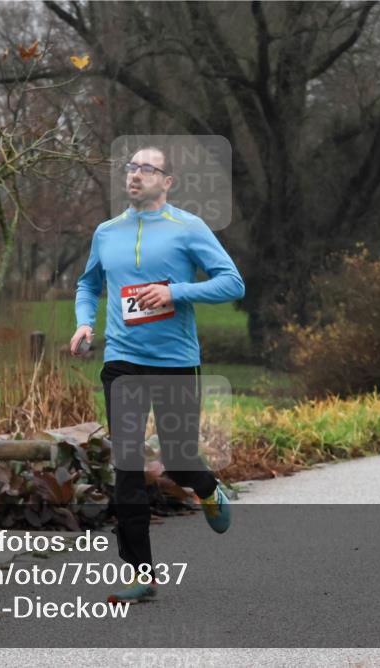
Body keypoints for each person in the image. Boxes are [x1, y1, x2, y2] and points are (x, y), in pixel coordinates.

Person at [71, 146, 245, 601]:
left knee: (180, 458)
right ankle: (139, 573)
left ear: (167, 181)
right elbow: (88, 283)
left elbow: (233, 281)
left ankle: (207, 489)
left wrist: (176, 294)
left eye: (147, 168)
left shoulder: (188, 228)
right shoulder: (107, 232)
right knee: (127, 466)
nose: (136, 175)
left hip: (174, 362)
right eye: (131, 167)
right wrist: (84, 321)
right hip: (122, 363)